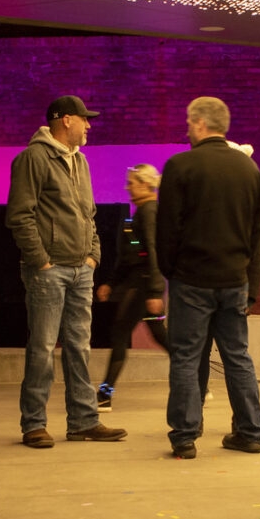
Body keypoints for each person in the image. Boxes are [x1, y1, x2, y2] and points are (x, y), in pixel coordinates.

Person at [5, 95, 126, 448]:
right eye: (85, 119)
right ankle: (33, 425)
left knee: (79, 347)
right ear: (66, 120)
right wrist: (41, 260)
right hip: (49, 270)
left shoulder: (82, 162)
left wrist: (93, 256)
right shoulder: (33, 158)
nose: (89, 125)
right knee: (42, 348)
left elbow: (88, 214)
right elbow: (19, 215)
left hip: (80, 270)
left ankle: (84, 422)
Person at [156, 96, 260, 459]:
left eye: (189, 123)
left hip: (192, 279)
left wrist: (171, 270)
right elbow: (257, 235)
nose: (187, 130)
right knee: (237, 356)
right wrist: (250, 284)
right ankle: (250, 431)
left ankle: (185, 436)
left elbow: (167, 228)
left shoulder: (180, 166)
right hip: (235, 280)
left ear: (201, 124)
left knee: (187, 357)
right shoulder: (249, 170)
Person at [95, 165, 167, 412]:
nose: (128, 187)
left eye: (132, 182)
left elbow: (152, 250)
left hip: (143, 286)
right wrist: (111, 283)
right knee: (160, 336)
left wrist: (155, 292)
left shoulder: (149, 212)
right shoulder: (138, 215)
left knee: (119, 333)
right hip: (141, 284)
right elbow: (130, 255)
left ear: (146, 185)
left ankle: (105, 394)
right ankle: (198, 383)